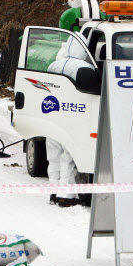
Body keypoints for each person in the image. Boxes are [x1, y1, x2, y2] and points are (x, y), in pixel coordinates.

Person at [46, 36, 94, 207]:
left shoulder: (54, 65)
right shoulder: (86, 67)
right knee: (69, 155)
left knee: (53, 155)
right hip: (73, 115)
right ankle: (66, 195)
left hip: (52, 114)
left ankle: (53, 190)